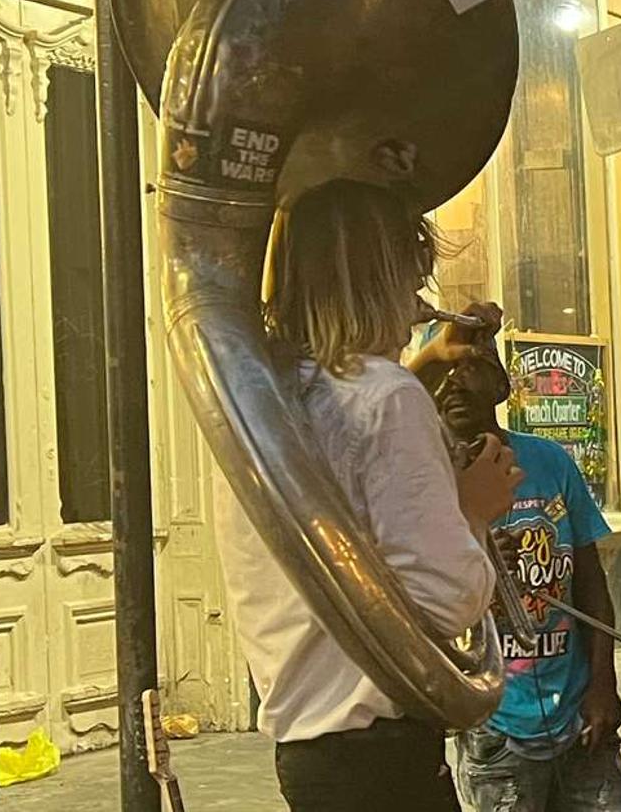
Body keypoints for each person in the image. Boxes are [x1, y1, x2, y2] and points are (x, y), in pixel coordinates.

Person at [219, 179, 521, 812]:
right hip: (383, 756)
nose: (416, 306)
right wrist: (473, 508)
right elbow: (443, 601)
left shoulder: (262, 404)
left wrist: (428, 363)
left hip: (310, 753)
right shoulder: (386, 398)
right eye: (410, 281)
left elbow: (344, 448)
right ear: (378, 283)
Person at [410, 303, 621, 812]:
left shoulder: (551, 462)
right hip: (496, 729)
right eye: (442, 379)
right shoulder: (424, 484)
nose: (454, 389)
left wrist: (603, 682)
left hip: (578, 716)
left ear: (498, 384)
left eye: (467, 372)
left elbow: (591, 583)